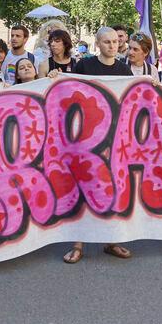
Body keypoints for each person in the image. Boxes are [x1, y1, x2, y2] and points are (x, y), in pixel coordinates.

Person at [62, 27, 133, 264]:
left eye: (115, 41)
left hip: (113, 138)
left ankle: (111, 240)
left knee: (112, 188)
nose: (112, 46)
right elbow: (69, 93)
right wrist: (55, 78)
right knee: (83, 189)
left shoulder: (124, 70)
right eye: (107, 42)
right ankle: (78, 244)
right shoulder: (84, 66)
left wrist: (150, 83)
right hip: (85, 138)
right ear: (98, 44)